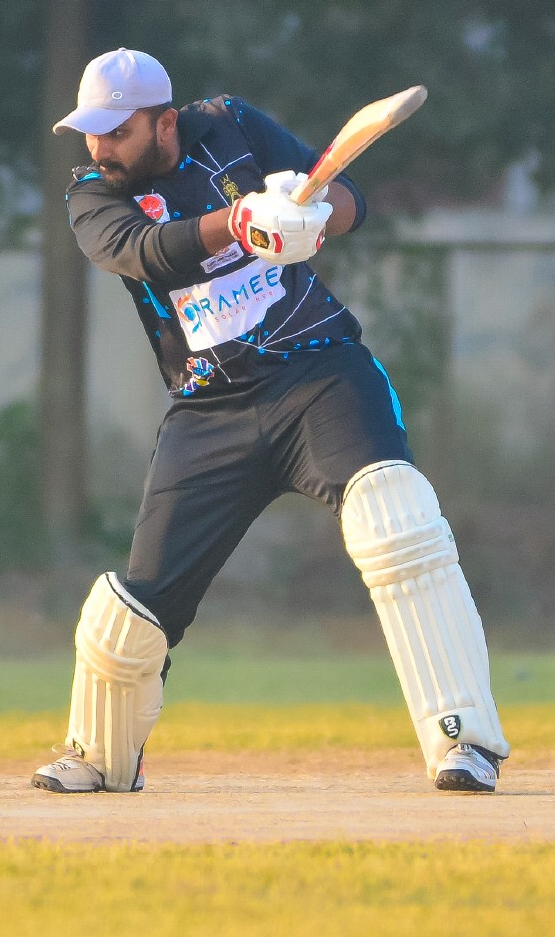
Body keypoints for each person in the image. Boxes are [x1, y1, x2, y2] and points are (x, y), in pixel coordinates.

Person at [31, 48, 509, 795]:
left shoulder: (232, 125)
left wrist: (311, 216)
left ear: (164, 123)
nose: (100, 148)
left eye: (117, 132)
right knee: (138, 607)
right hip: (208, 406)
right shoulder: (93, 194)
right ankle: (100, 756)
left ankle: (464, 742)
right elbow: (142, 252)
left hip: (319, 375)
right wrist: (241, 221)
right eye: (91, 132)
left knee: (397, 522)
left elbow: (348, 199)